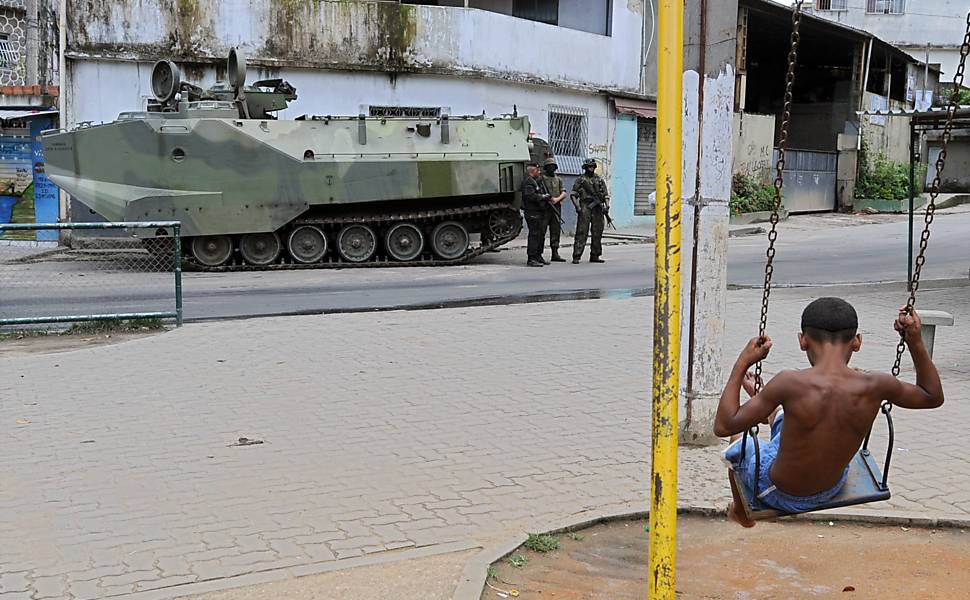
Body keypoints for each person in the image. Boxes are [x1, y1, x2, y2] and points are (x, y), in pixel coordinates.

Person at [714, 298, 944, 527]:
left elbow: (724, 425)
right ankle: (767, 407)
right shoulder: (877, 384)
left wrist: (742, 363)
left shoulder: (790, 383)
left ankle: (741, 513)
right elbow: (932, 396)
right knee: (789, 414)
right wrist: (914, 340)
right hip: (833, 486)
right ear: (857, 342)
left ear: (802, 341)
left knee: (740, 440)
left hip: (779, 492)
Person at [571, 158, 609, 264]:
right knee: (582, 231)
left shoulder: (599, 179)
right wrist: (577, 207)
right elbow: (573, 194)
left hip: (598, 208)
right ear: (585, 168)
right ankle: (577, 255)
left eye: (592, 166)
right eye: (589, 167)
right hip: (586, 206)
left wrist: (607, 206)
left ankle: (595, 255)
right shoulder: (581, 179)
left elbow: (605, 194)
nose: (591, 168)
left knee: (597, 232)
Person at [520, 162, 550, 267]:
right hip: (532, 212)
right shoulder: (528, 182)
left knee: (540, 234)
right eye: (538, 170)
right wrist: (542, 197)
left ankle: (538, 255)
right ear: (533, 171)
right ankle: (531, 258)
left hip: (539, 212)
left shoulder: (536, 181)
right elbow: (530, 196)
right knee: (534, 235)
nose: (540, 172)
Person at [541, 158, 567, 262]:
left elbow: (564, 192)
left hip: (556, 206)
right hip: (544, 207)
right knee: (541, 231)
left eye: (553, 166)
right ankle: (539, 253)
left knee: (555, 230)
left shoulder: (558, 179)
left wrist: (556, 199)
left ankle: (555, 253)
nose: (551, 168)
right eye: (549, 166)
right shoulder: (541, 179)